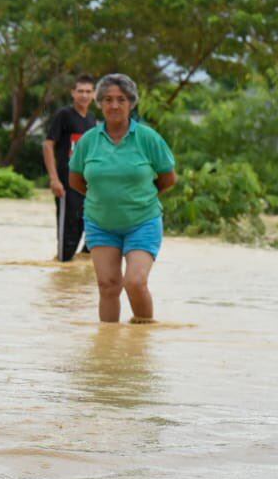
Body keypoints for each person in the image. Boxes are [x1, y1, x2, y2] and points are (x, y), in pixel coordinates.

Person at [68, 73, 177, 324]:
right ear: (100, 103)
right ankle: (109, 350)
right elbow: (75, 180)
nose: (114, 105)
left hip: (143, 221)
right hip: (100, 222)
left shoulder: (148, 138)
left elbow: (168, 178)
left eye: (121, 99)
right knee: (107, 286)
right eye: (107, 99)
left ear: (131, 103)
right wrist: (104, 198)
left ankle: (141, 343)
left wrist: (137, 197)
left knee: (135, 282)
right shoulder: (88, 141)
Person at [43, 74, 97, 262]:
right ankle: (62, 268)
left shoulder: (92, 120)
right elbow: (48, 144)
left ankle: (76, 280)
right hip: (66, 185)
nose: (84, 95)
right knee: (68, 238)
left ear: (94, 94)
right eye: (80, 91)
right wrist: (54, 179)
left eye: (88, 91)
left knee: (92, 231)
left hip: (88, 186)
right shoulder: (64, 115)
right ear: (73, 93)